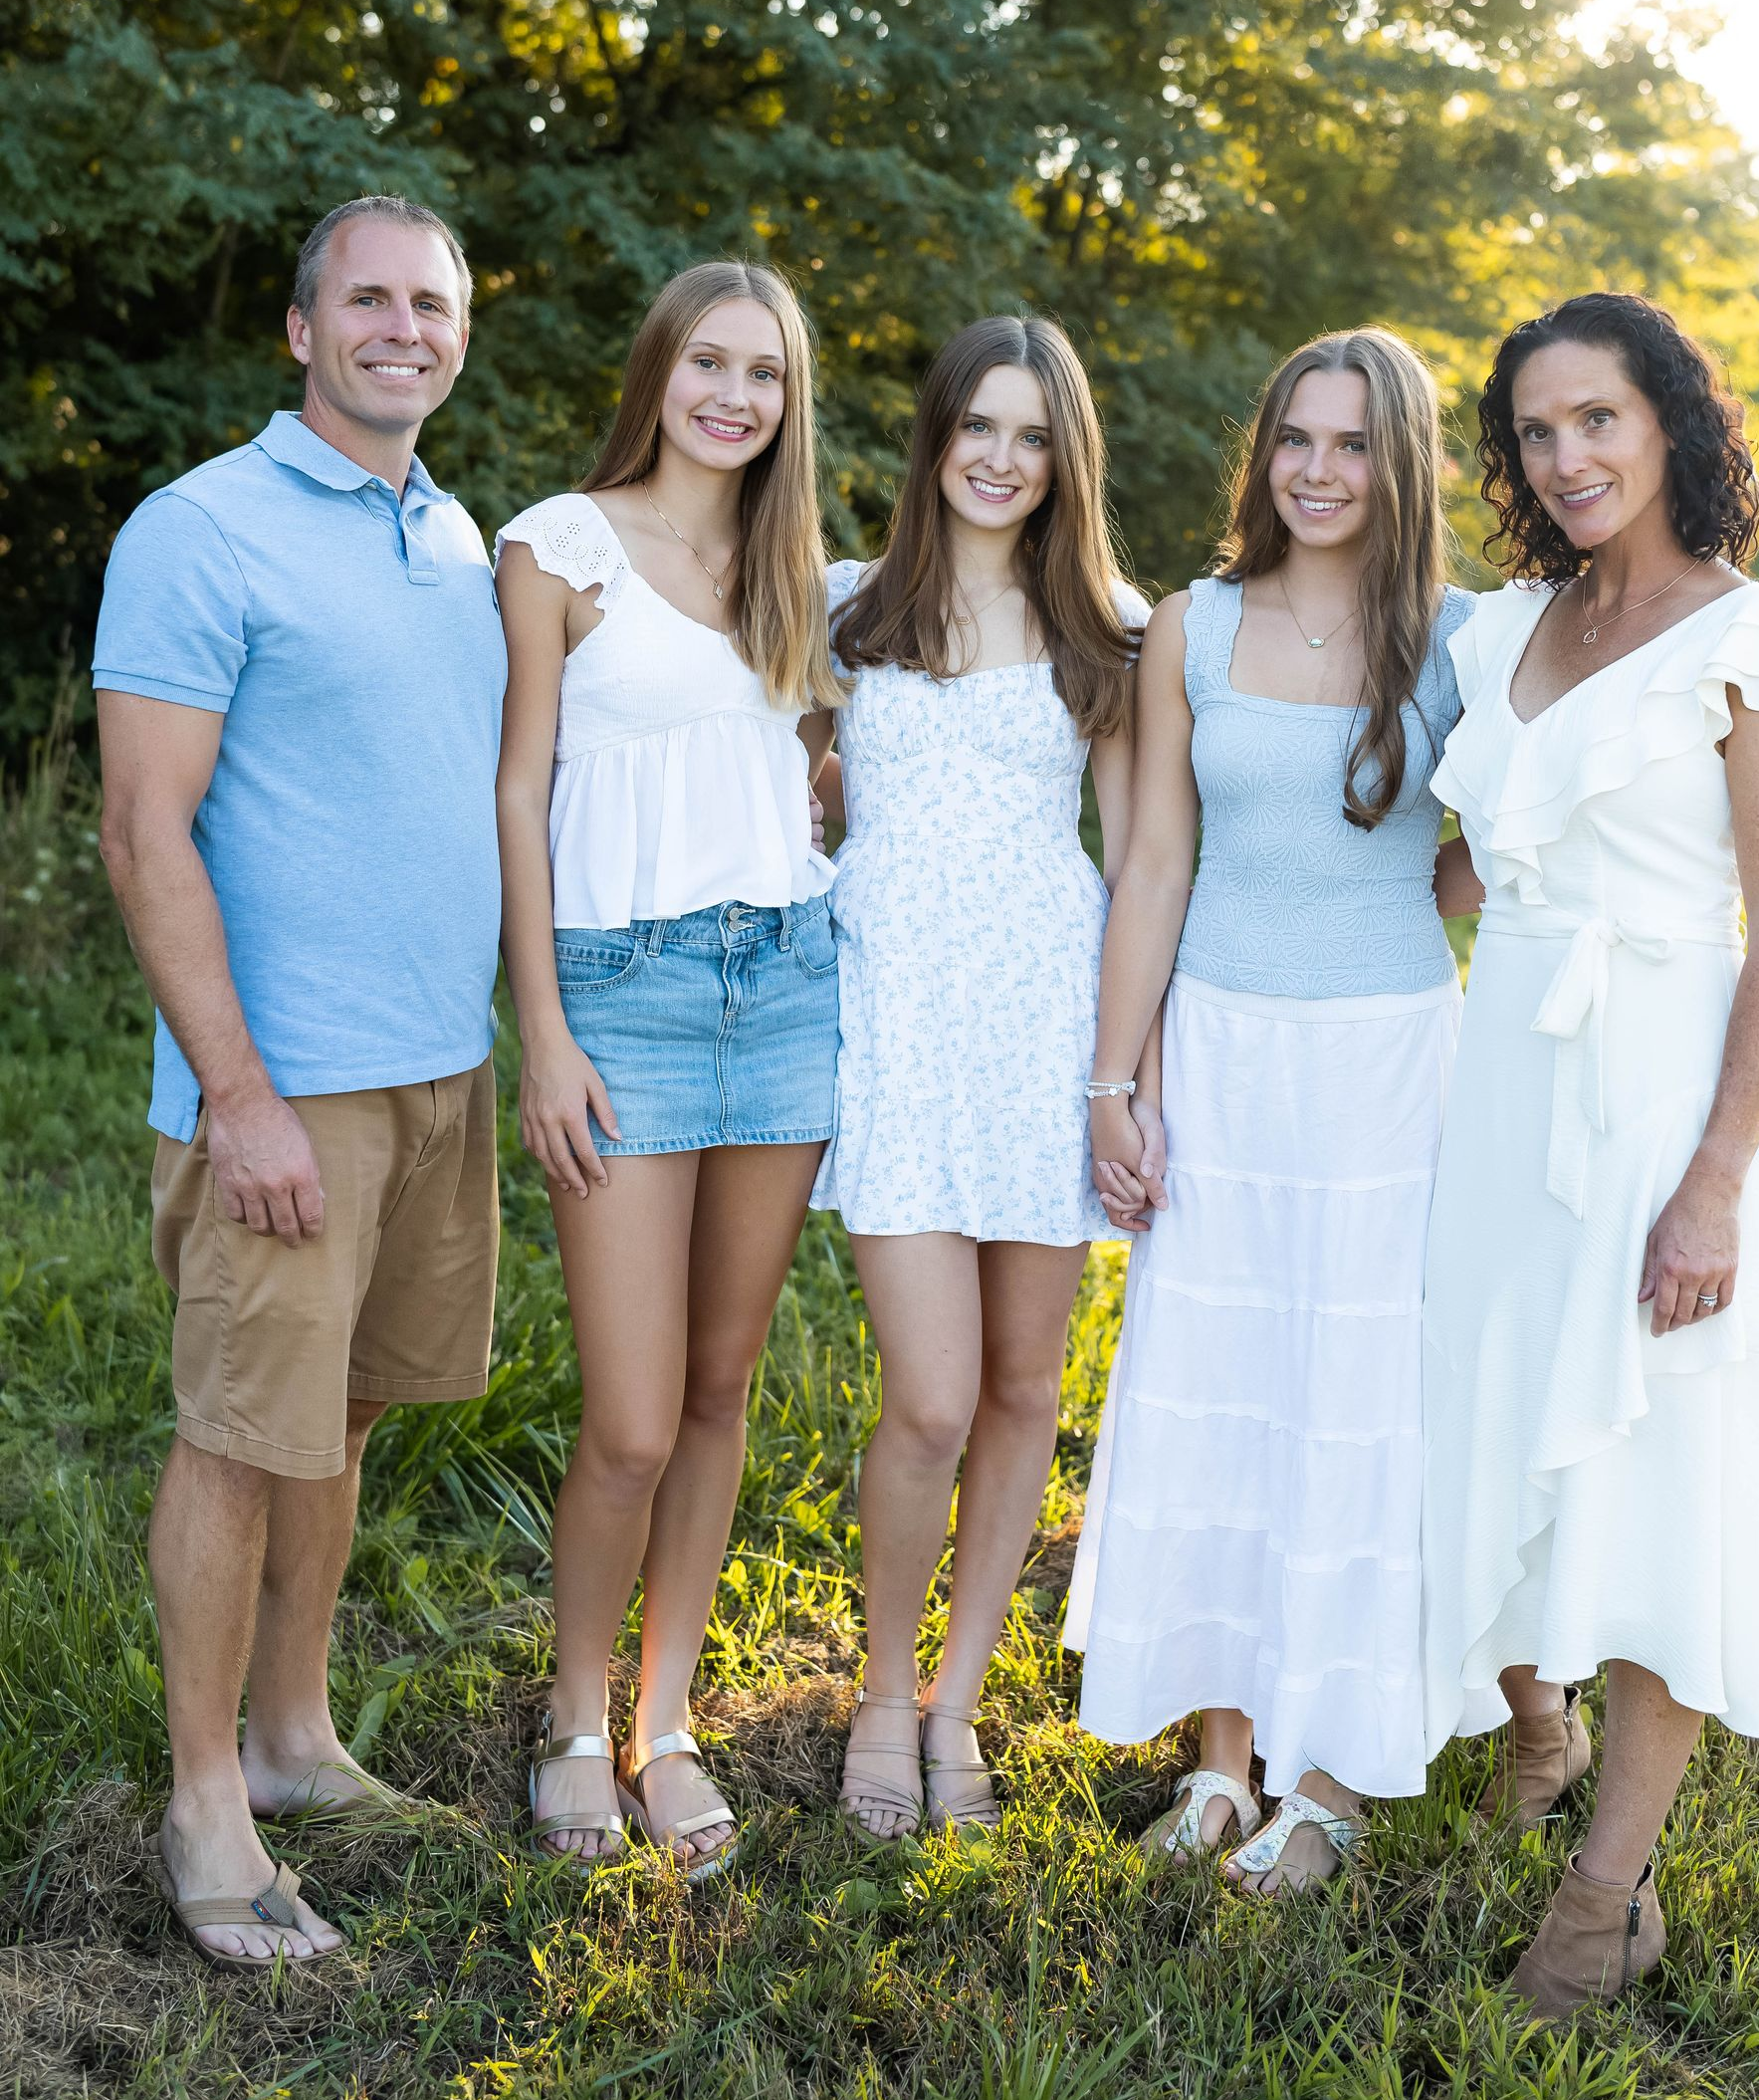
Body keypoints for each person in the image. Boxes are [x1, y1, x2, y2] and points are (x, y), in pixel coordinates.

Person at [1418, 293, 1759, 2013]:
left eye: (1598, 418)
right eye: (1538, 430)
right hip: (1507, 1083)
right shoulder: (1514, 627)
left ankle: (1608, 1895)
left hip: (1667, 1092)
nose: (1568, 456)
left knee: (1660, 1466)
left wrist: (1710, 1183)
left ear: (1674, 423)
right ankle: (1528, 1719)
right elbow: (1471, 865)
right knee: (1484, 1402)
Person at [93, 196, 506, 1968]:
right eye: (368, 300)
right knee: (238, 1435)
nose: (400, 327)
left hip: (439, 1070)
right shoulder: (202, 530)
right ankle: (201, 1805)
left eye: (431, 303)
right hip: (290, 1085)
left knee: (335, 1420)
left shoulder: (459, 532)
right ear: (300, 327)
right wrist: (241, 1093)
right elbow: (139, 829)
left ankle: (293, 1739)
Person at [1062, 327, 1477, 1894]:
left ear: (1403, 465)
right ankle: (1224, 1765)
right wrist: (1120, 1079)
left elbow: (1476, 852)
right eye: (1296, 439)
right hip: (1221, 1054)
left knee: (1351, 1400)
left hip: (1384, 1064)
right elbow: (1154, 862)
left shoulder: (1463, 641)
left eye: (1355, 444)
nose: (1318, 470)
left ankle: (1326, 1779)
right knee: (1222, 1381)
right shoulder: (1193, 623)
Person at [494, 261, 841, 1876]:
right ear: (661, 369)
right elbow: (519, 792)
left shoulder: (801, 574)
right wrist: (543, 1033)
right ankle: (577, 1715)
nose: (734, 395)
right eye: (710, 361)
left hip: (781, 985)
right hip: (619, 995)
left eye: (764, 374)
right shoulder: (559, 543)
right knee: (631, 1418)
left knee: (719, 1387)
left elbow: (1042, 593)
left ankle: (667, 1719)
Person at [816, 315, 1148, 1841]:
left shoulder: (1112, 632)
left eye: (1035, 436)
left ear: (1064, 458)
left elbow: (1146, 864)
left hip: (1046, 1034)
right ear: (935, 437)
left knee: (1026, 1388)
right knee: (933, 1398)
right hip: (899, 1033)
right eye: (981, 428)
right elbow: (791, 796)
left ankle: (957, 1700)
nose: (1004, 460)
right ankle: (882, 1691)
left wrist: (1120, 1076)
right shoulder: (844, 612)